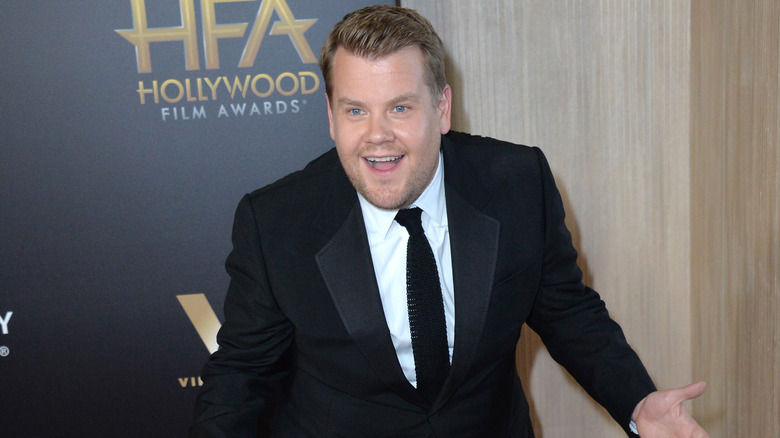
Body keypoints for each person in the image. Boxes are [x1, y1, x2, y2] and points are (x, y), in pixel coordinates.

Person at [190, 5, 708, 437]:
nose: (376, 136)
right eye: (354, 111)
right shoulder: (277, 221)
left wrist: (638, 404)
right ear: (329, 116)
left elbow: (568, 313)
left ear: (442, 109)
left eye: (399, 108)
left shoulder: (517, 184)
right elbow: (242, 373)